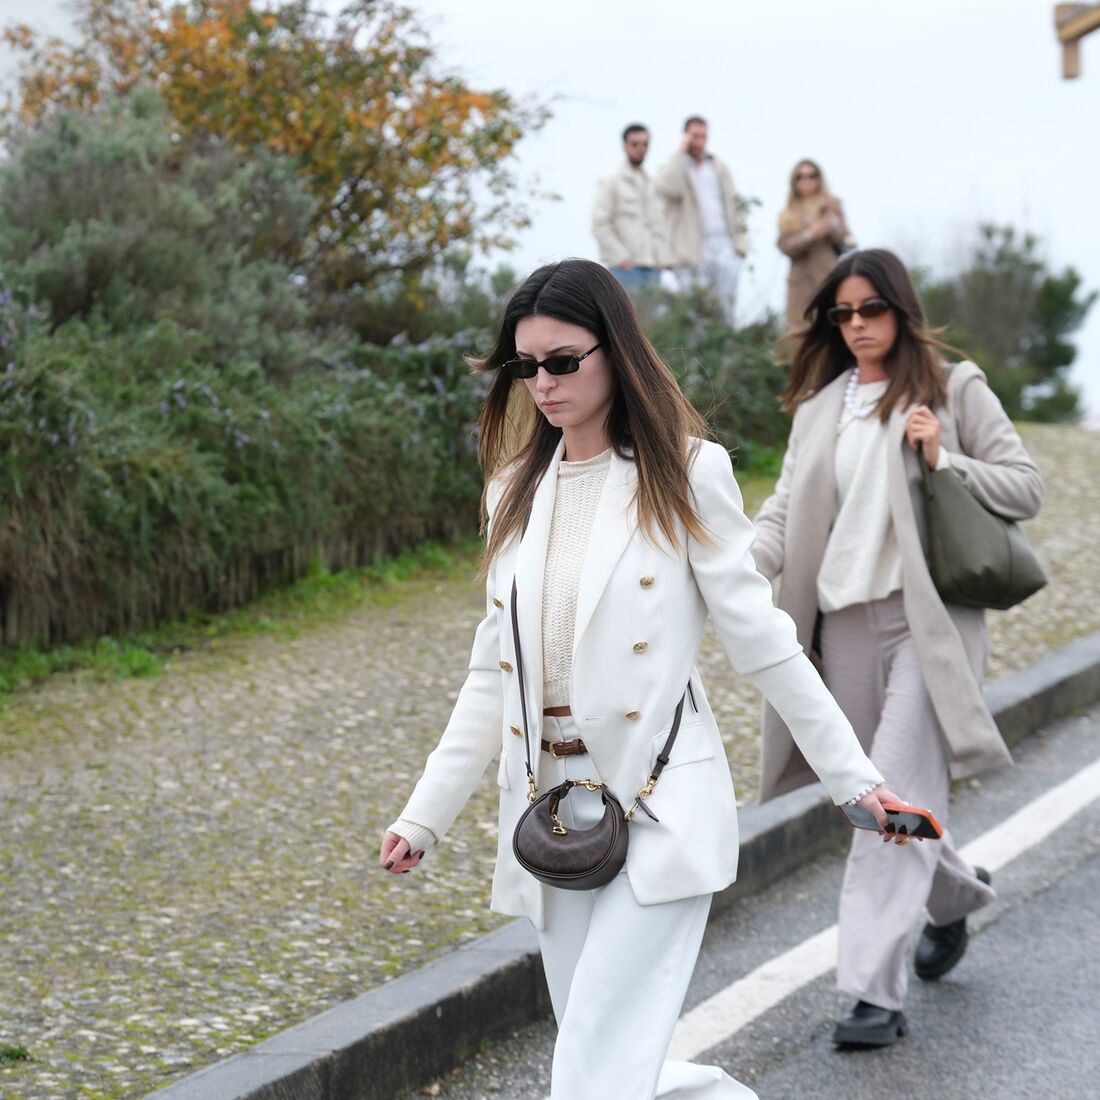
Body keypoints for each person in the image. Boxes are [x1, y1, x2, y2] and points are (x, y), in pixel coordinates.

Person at [380, 258, 913, 1098]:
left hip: (659, 805)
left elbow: (764, 640)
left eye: (563, 361)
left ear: (614, 350)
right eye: (527, 367)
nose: (543, 384)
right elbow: (493, 670)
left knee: (592, 1070)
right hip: (551, 814)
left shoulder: (687, 473)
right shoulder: (511, 490)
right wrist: (426, 815)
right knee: (610, 1062)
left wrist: (854, 777)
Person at [751, 248, 1044, 1048]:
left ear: (901, 310)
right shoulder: (820, 407)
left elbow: (1027, 486)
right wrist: (725, 573)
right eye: (841, 314)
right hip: (839, 626)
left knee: (893, 797)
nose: (856, 326)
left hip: (925, 628)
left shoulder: (954, 389)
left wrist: (944, 457)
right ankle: (951, 893)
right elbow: (782, 513)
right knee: (874, 800)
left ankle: (873, 995)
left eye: (870, 310)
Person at [655, 116, 747, 322]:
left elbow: (734, 203)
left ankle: (724, 350)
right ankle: (697, 353)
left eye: (703, 136)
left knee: (725, 304)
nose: (700, 141)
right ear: (685, 136)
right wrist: (680, 154)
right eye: (695, 136)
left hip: (724, 244)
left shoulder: (718, 167)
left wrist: (740, 245)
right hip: (693, 248)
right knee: (696, 307)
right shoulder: (675, 166)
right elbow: (667, 189)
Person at [776, 159, 852, 329]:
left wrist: (829, 219)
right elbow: (784, 246)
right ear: (794, 181)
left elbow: (843, 237)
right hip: (799, 284)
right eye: (801, 176)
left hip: (828, 276)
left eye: (812, 176)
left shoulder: (832, 204)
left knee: (833, 326)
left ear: (819, 179)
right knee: (799, 330)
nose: (807, 180)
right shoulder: (787, 213)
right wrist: (808, 236)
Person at [591, 123, 666, 294]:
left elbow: (660, 224)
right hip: (625, 269)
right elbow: (600, 224)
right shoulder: (610, 181)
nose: (640, 148)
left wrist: (661, 258)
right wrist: (622, 259)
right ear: (624, 146)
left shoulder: (652, 183)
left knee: (651, 320)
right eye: (635, 144)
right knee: (625, 319)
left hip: (653, 268)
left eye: (645, 144)